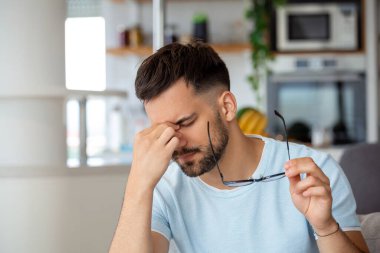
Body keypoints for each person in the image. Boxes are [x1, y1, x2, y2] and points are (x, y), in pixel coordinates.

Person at [109, 42, 369, 253]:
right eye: (162, 131)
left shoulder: (313, 173)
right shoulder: (162, 189)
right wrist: (137, 186)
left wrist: (326, 227)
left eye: (185, 122)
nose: (176, 142)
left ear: (227, 107)